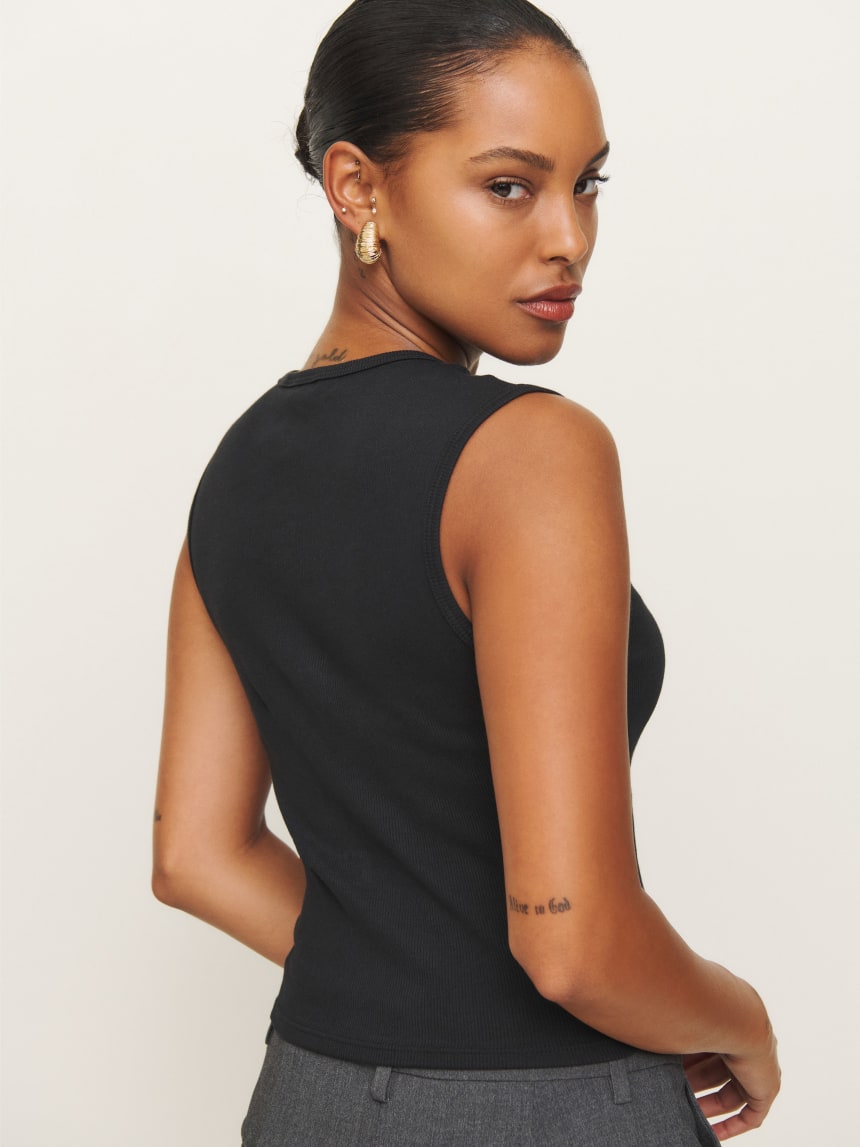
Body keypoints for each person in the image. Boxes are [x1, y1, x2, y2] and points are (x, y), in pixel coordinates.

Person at [152, 1, 781, 1143]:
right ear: (357, 188)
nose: (569, 237)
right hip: (550, 1106)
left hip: (307, 1097)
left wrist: (398, 975)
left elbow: (199, 854)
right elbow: (571, 939)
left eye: (587, 184)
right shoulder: (533, 451)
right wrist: (738, 1016)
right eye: (508, 186)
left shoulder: (235, 471)